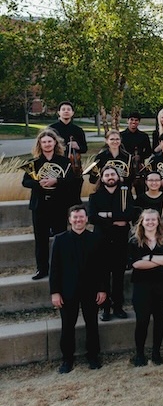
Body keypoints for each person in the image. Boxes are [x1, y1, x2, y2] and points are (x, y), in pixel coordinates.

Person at [51, 205, 107, 374]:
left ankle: (93, 356)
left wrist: (103, 289)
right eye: (75, 217)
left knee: (92, 324)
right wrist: (55, 292)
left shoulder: (96, 238)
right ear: (69, 219)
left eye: (81, 217)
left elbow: (103, 268)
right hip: (68, 291)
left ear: (86, 219)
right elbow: (54, 268)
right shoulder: (60, 239)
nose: (78, 220)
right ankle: (67, 359)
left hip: (91, 290)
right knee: (67, 326)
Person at [22, 128, 74, 280]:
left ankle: (61, 269)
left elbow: (72, 180)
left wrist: (56, 180)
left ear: (55, 143)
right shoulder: (34, 162)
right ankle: (42, 269)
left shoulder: (64, 161)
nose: (47, 144)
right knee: (41, 239)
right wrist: (39, 183)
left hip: (58, 205)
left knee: (60, 238)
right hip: (40, 205)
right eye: (43, 142)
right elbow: (25, 181)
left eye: (49, 141)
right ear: (40, 144)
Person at [127, 209, 163, 367]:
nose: (150, 222)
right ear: (142, 221)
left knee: (160, 320)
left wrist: (148, 258)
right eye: (147, 220)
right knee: (142, 321)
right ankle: (140, 354)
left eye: (153, 220)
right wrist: (159, 260)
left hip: (162, 285)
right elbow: (136, 264)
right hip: (142, 287)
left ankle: (156, 352)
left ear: (158, 221)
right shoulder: (134, 241)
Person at [88, 166, 135, 321]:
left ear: (118, 176)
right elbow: (92, 217)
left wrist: (107, 216)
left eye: (112, 174)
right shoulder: (94, 196)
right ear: (102, 178)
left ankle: (118, 307)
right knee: (103, 275)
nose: (110, 177)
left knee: (119, 276)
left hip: (120, 241)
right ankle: (105, 308)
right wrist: (116, 220)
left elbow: (130, 214)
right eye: (106, 175)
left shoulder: (125, 193)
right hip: (101, 241)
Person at [119, 111, 150, 193]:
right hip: (125, 168)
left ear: (139, 122)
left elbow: (149, 151)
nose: (133, 122)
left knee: (141, 191)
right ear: (127, 121)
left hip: (139, 168)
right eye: (131, 120)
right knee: (126, 191)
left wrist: (141, 157)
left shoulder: (144, 136)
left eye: (136, 120)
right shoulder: (121, 136)